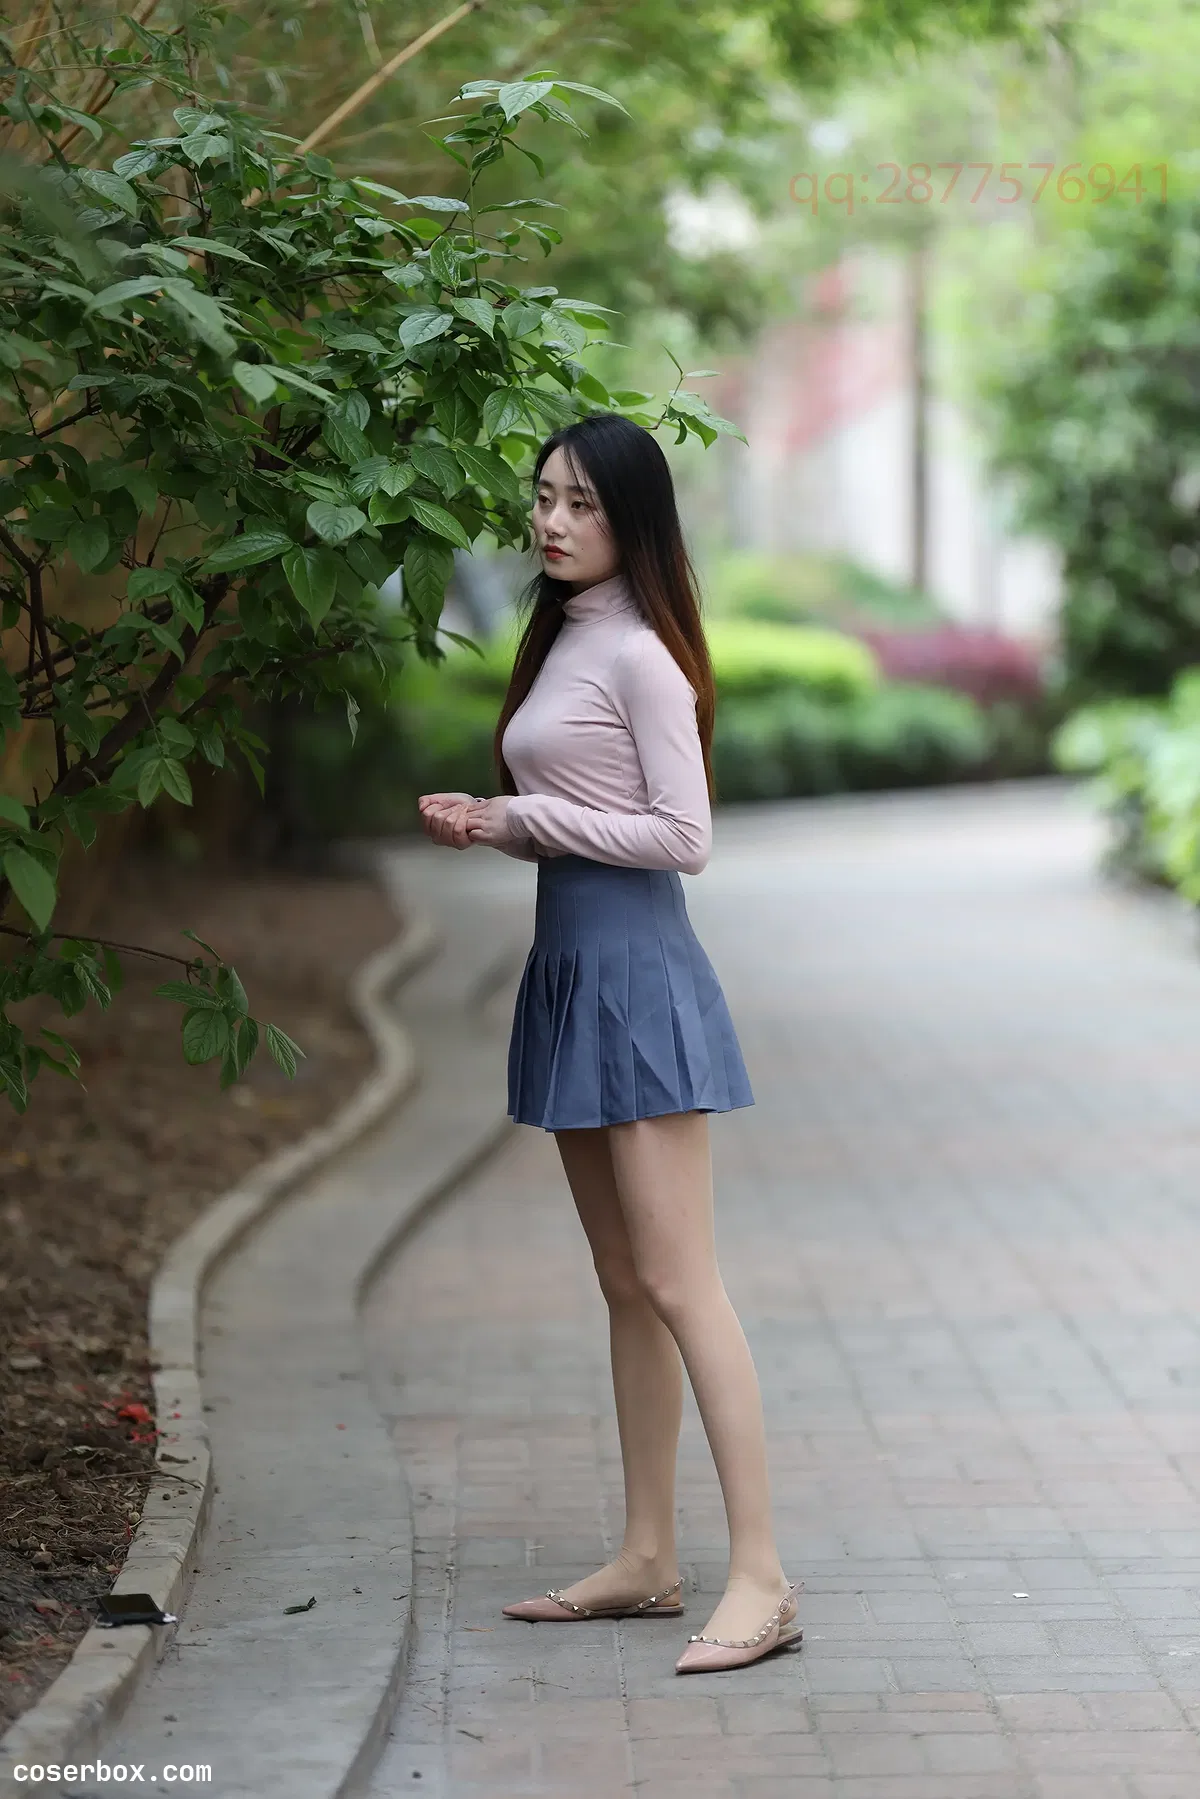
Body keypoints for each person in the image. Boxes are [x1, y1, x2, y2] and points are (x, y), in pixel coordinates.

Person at [417, 413, 800, 1675]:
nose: (552, 520)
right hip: (572, 973)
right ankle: (646, 1555)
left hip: (638, 980)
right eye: (544, 497)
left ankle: (763, 1577)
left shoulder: (639, 654)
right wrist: (497, 822)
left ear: (633, 519)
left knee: (683, 1282)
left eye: (580, 503)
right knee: (625, 1280)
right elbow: (584, 813)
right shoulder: (568, 636)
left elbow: (684, 837)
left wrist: (523, 812)